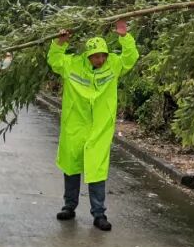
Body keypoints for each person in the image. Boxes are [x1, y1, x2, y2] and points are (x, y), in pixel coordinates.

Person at [47, 19, 139, 231]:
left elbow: (130, 57)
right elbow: (55, 60)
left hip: (99, 128)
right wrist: (59, 42)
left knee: (97, 170)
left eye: (103, 55)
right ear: (87, 55)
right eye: (96, 56)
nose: (100, 60)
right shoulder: (73, 65)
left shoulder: (113, 65)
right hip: (75, 126)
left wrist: (124, 36)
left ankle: (99, 214)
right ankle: (69, 206)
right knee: (71, 168)